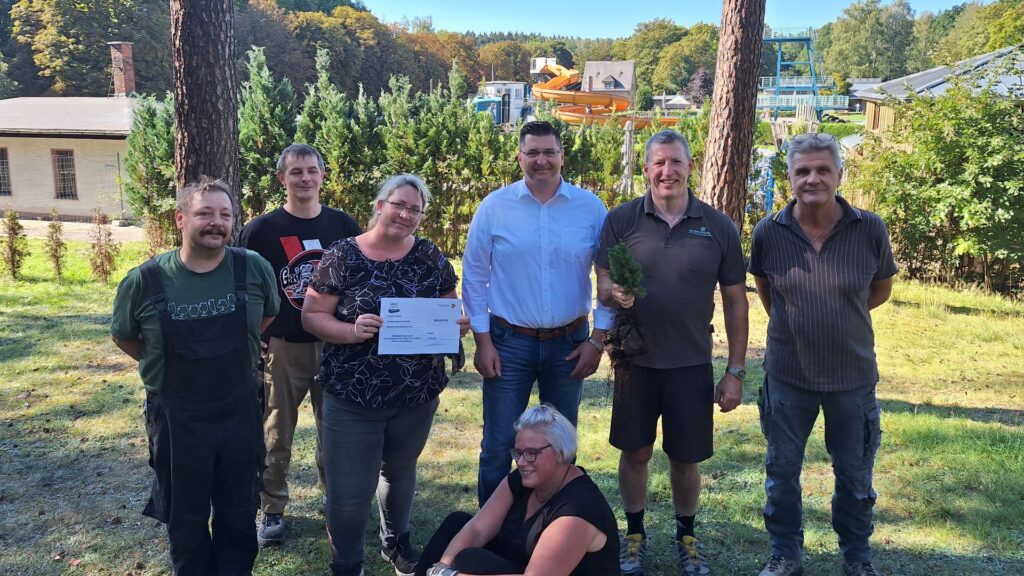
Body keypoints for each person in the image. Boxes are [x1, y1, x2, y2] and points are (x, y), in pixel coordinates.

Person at [595, 130, 749, 576]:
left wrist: (734, 371)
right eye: (659, 163)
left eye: (676, 162)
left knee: (685, 457)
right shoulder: (620, 220)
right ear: (646, 169)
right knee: (636, 452)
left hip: (691, 362)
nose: (667, 171)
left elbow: (737, 301)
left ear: (689, 166)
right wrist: (613, 292)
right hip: (635, 362)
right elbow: (602, 283)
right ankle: (635, 535)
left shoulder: (717, 226)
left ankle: (687, 535)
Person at [301, 174, 471, 576]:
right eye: (399, 204)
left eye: (415, 209)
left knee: (400, 470)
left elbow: (450, 308)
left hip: (416, 392)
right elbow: (311, 316)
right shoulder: (343, 255)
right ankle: (347, 562)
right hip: (352, 394)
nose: (406, 214)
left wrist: (455, 325)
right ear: (380, 205)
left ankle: (396, 542)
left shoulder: (430, 257)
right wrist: (350, 330)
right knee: (348, 491)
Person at [111, 177, 280, 575]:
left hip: (239, 410)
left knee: (238, 514)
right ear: (180, 218)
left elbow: (267, 317)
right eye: (205, 213)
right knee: (185, 519)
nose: (216, 222)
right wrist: (164, 366)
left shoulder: (252, 268)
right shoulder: (145, 280)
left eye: (225, 214)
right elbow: (125, 337)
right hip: (176, 418)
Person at [748, 132, 896, 576]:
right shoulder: (769, 232)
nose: (813, 178)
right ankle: (785, 554)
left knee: (854, 476)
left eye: (822, 170)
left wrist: (838, 314)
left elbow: (880, 290)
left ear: (839, 175)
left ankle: (856, 556)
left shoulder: (870, 229)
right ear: (790, 177)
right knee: (782, 473)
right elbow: (768, 294)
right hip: (788, 375)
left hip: (851, 377)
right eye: (803, 171)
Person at [463, 120, 614, 506]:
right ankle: (493, 532)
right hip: (507, 343)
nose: (541, 160)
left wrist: (598, 341)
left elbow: (607, 277)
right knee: (498, 445)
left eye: (549, 152)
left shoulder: (590, 208)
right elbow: (475, 276)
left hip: (570, 343)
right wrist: (482, 341)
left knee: (560, 445)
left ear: (562, 156)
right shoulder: (494, 208)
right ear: (519, 157)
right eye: (532, 152)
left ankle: (551, 524)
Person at [238, 143, 362, 546]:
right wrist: (254, 337)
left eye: (312, 170)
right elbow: (246, 288)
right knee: (277, 433)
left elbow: (363, 280)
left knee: (337, 431)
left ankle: (335, 503)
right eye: (296, 172)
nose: (305, 178)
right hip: (285, 345)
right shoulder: (261, 230)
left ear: (323, 175)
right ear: (282, 178)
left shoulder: (343, 226)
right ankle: (272, 509)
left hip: (336, 345)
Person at [419, 404, 618, 576]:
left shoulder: (578, 510)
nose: (521, 462)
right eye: (518, 452)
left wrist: (453, 574)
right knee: (457, 523)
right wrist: (441, 567)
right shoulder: (524, 479)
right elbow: (478, 529)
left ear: (560, 453)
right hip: (521, 564)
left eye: (532, 453)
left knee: (470, 560)